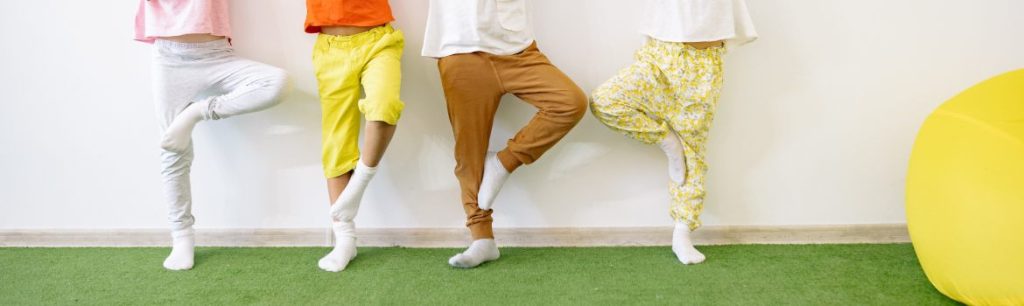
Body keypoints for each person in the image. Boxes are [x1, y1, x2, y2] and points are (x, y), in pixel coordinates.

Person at [422, 0, 588, 268]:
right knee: (469, 153)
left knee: (570, 102)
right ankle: (482, 239)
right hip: (460, 48)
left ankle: (501, 164)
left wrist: (507, 159)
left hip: (517, 49)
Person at [590, 0, 757, 264]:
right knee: (606, 101)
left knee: (694, 150)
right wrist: (664, 137)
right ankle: (668, 141)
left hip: (705, 64)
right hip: (661, 56)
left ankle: (682, 233)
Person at [135, 0, 289, 270]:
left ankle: (199, 111)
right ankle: (182, 237)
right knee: (173, 150)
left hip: (218, 55)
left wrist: (201, 110)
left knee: (277, 83)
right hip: (170, 58)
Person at [305, 0, 405, 272]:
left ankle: (358, 185)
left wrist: (358, 180)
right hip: (330, 48)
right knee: (336, 141)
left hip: (379, 40)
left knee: (384, 106)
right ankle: (345, 240)